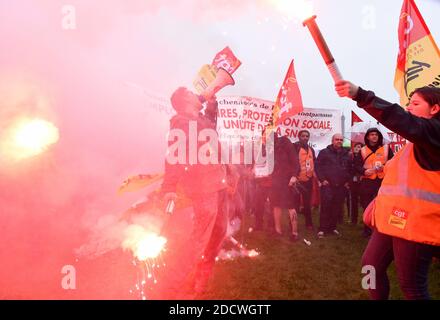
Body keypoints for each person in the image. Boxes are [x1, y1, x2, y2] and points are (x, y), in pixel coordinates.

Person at [336, 81, 440, 300]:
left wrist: (361, 95)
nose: (409, 107)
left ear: (435, 109)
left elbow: (400, 118)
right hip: (391, 220)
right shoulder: (415, 143)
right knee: (369, 267)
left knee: (412, 287)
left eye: (415, 103)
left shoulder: (435, 135)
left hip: (416, 225)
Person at [158, 87, 228, 299]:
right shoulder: (181, 122)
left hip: (217, 184)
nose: (197, 93)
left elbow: (209, 130)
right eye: (191, 93)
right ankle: (170, 289)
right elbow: (173, 157)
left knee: (218, 233)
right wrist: (169, 188)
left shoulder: (196, 120)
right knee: (200, 239)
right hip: (204, 188)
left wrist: (212, 110)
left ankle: (201, 278)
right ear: (185, 100)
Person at [355, 128, 394, 237]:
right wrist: (364, 171)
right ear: (367, 137)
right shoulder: (362, 150)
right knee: (366, 205)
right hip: (367, 181)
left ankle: (380, 229)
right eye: (371, 134)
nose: (374, 136)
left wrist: (385, 166)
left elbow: (393, 162)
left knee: (382, 205)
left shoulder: (386, 149)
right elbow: (356, 165)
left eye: (376, 134)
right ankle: (367, 230)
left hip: (382, 180)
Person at [315, 133, 351, 238]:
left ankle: (332, 227)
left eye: (341, 140)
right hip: (328, 185)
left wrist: (347, 181)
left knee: (336, 207)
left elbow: (350, 168)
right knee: (326, 207)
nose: (339, 141)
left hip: (340, 186)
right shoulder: (324, 152)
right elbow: (317, 166)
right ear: (332, 140)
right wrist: (322, 180)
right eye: (337, 139)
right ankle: (322, 229)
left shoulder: (346, 154)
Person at [271, 133, 300, 241]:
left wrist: (294, 176)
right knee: (276, 205)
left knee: (291, 207)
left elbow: (295, 161)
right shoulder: (267, 147)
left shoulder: (285, 142)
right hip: (275, 181)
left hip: (287, 180)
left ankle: (294, 232)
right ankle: (277, 231)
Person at [293, 130, 317, 230]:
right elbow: (291, 162)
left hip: (308, 180)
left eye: (307, 136)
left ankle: (309, 223)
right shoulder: (295, 147)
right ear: (299, 137)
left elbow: (313, 162)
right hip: (297, 180)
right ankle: (292, 224)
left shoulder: (311, 148)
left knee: (307, 203)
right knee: (295, 204)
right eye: (303, 136)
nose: (305, 138)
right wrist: (294, 176)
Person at [347, 142, 363, 225]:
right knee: (353, 201)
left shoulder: (364, 157)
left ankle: (365, 219)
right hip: (353, 182)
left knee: (363, 201)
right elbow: (348, 169)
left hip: (362, 182)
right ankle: (353, 219)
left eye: (359, 147)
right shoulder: (350, 157)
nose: (357, 148)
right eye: (356, 147)